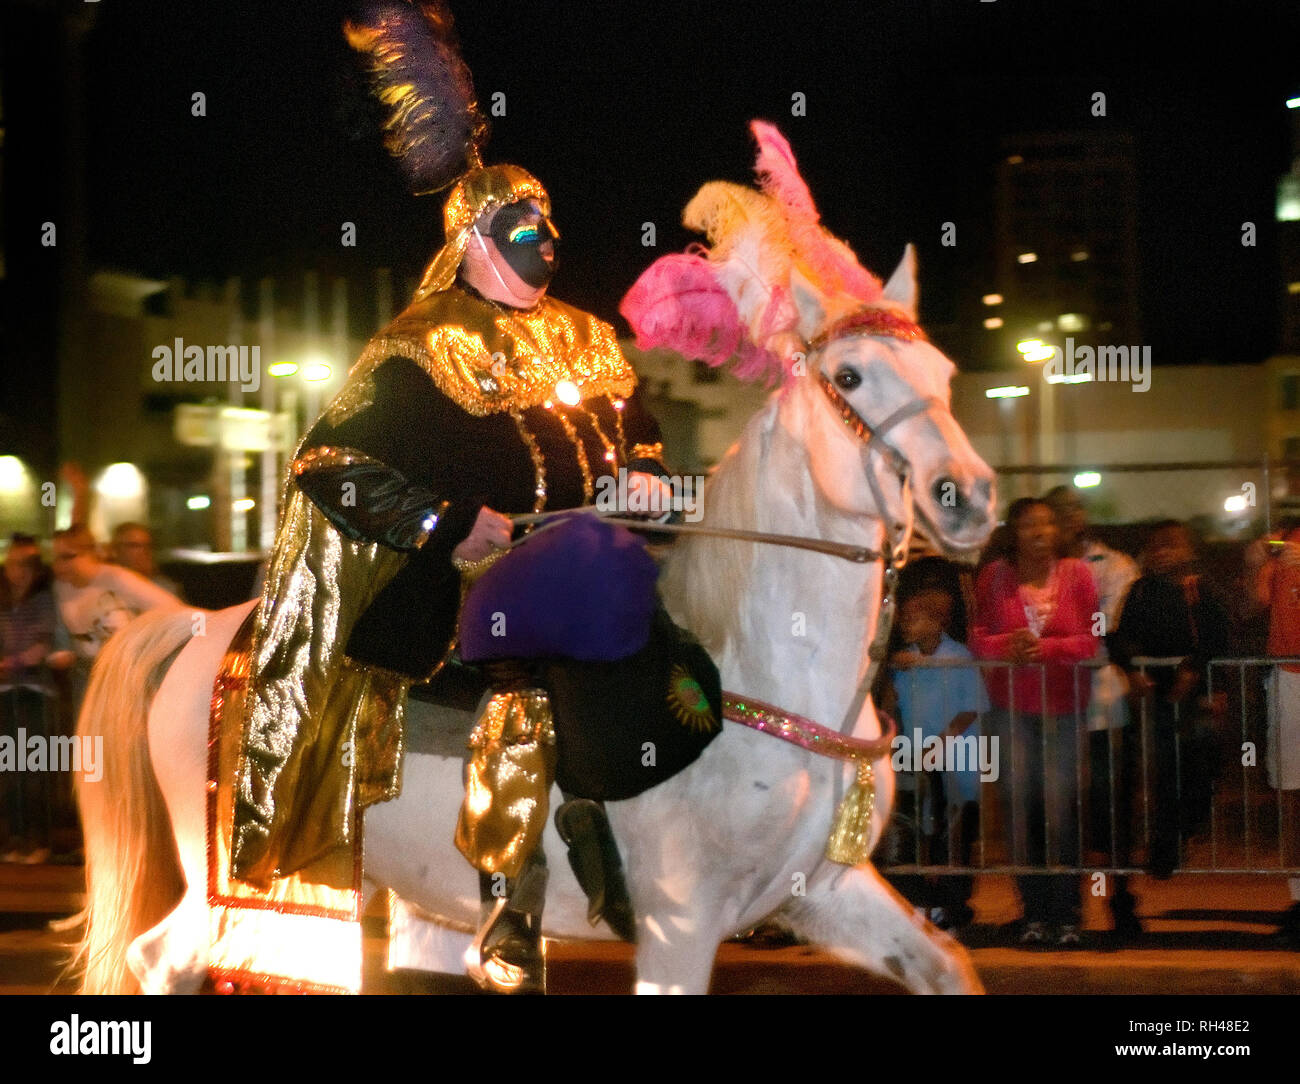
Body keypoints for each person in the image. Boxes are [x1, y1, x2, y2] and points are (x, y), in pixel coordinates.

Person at [228, 0, 706, 997]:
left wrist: (648, 466)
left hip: (597, 560)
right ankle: (508, 901)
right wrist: (448, 523)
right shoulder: (418, 342)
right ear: (480, 233)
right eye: (527, 224)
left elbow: (637, 425)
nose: (550, 237)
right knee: (522, 688)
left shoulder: (585, 332)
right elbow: (325, 464)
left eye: (550, 220)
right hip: (464, 580)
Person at [970, 497, 1099, 946]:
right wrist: (1005, 645)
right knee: (1021, 812)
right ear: (1014, 532)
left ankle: (1068, 914)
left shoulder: (1079, 574)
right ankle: (1033, 914)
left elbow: (1092, 639)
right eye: (1029, 524)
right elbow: (979, 638)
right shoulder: (995, 576)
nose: (1040, 531)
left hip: (1066, 708)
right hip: (1011, 709)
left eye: (1047, 523)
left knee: (1062, 811)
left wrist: (1047, 649)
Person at [1108, 521, 1231, 883]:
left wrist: (1196, 674)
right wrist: (1132, 669)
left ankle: (1186, 828)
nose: (1163, 552)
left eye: (1171, 545)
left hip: (1196, 695)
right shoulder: (1141, 591)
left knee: (1199, 764)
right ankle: (1164, 845)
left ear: (1188, 551)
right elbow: (1121, 636)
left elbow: (1217, 637)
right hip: (1155, 694)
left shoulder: (1198, 589)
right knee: (1163, 770)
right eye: (1157, 546)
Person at [1043, 485, 1139, 931]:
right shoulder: (1038, 572)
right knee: (1061, 812)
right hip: (1052, 705)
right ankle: (1066, 909)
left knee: (1110, 811)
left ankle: (1120, 901)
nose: (1063, 521)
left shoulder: (1113, 565)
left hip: (1101, 704)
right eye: (1052, 515)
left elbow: (1110, 626)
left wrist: (1068, 633)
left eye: (1068, 512)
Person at [885, 586, 988, 930]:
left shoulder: (958, 657)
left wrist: (936, 748)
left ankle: (953, 906)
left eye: (913, 618)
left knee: (954, 838)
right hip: (919, 759)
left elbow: (970, 709)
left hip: (956, 761)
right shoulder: (905, 660)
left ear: (936, 622)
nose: (905, 625)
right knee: (917, 833)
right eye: (903, 619)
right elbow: (895, 703)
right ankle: (927, 904)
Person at [50, 524, 181, 707]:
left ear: (90, 554)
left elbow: (174, 609)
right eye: (56, 557)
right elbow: (65, 634)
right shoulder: (61, 587)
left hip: (128, 677)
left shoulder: (117, 579)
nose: (59, 565)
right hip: (88, 680)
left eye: (68, 557)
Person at [1247, 519, 1300, 945]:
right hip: (1289, 674)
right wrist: (1256, 565)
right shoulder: (1284, 541)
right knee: (1292, 790)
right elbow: (1253, 605)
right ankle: (1299, 898)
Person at [0, 536, 58, 863]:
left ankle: (39, 840)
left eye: (24, 565)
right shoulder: (4, 600)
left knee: (35, 764)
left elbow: (41, 646)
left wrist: (13, 663)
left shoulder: (43, 599)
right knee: (10, 767)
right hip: (6, 691)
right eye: (12, 563)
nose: (17, 571)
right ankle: (15, 838)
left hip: (35, 690)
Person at [109, 523, 183, 599]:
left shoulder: (164, 588)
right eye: (134, 545)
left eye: (148, 546)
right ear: (115, 549)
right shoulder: (105, 585)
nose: (143, 551)